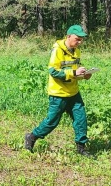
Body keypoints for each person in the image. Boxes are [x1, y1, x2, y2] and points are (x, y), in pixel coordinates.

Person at [24, 24, 92, 156]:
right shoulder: (57, 50)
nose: (80, 42)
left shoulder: (76, 51)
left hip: (73, 93)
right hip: (58, 94)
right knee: (51, 122)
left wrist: (84, 75)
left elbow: (74, 72)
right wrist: (73, 72)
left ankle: (81, 147)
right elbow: (53, 71)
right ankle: (32, 136)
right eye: (77, 39)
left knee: (81, 119)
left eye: (81, 39)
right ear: (68, 36)